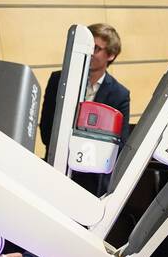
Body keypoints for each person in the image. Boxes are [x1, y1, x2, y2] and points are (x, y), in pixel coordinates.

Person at [37, 23, 130, 186]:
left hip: (93, 181)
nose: (90, 53)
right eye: (87, 47)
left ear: (111, 55)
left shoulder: (119, 94)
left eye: (95, 48)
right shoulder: (58, 79)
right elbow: (46, 127)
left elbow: (119, 144)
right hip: (55, 167)